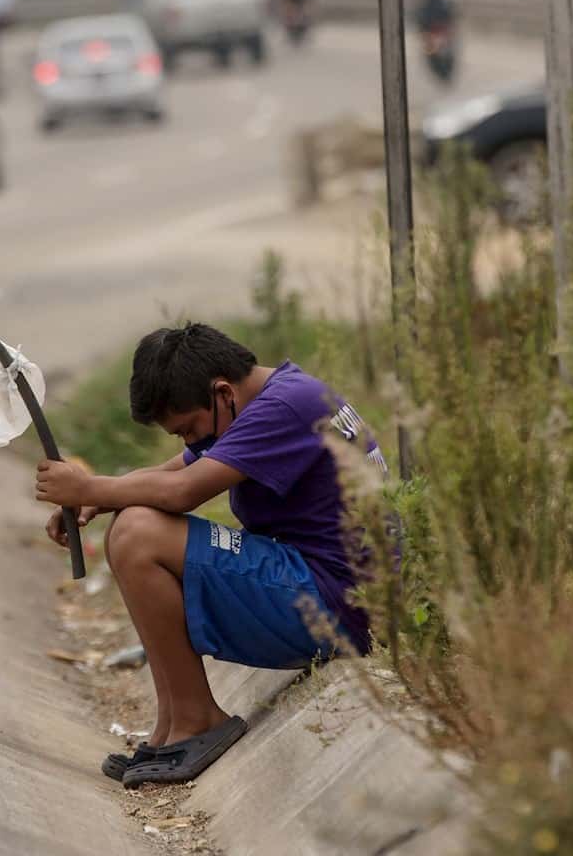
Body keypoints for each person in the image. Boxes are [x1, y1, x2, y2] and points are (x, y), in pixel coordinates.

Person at [33, 324, 384, 788]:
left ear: (222, 393)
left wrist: (90, 486)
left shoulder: (282, 409)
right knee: (131, 521)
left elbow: (181, 492)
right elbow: (169, 471)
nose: (188, 444)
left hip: (335, 606)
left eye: (188, 430)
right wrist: (98, 500)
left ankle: (198, 720)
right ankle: (172, 725)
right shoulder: (272, 396)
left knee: (139, 533)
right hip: (325, 588)